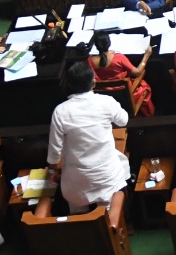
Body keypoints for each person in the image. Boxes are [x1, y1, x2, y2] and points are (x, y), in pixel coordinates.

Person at [48, 61, 131, 211]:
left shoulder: (60, 111)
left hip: (77, 183)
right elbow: (123, 120)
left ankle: (81, 218)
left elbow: (54, 151)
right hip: (107, 178)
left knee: (77, 206)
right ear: (94, 82)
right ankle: (114, 220)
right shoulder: (106, 102)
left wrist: (53, 171)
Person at [88, 30, 153, 116]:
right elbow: (137, 72)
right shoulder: (119, 58)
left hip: (106, 95)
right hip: (126, 94)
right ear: (109, 42)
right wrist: (146, 56)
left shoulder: (89, 61)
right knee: (144, 86)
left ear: (96, 46)